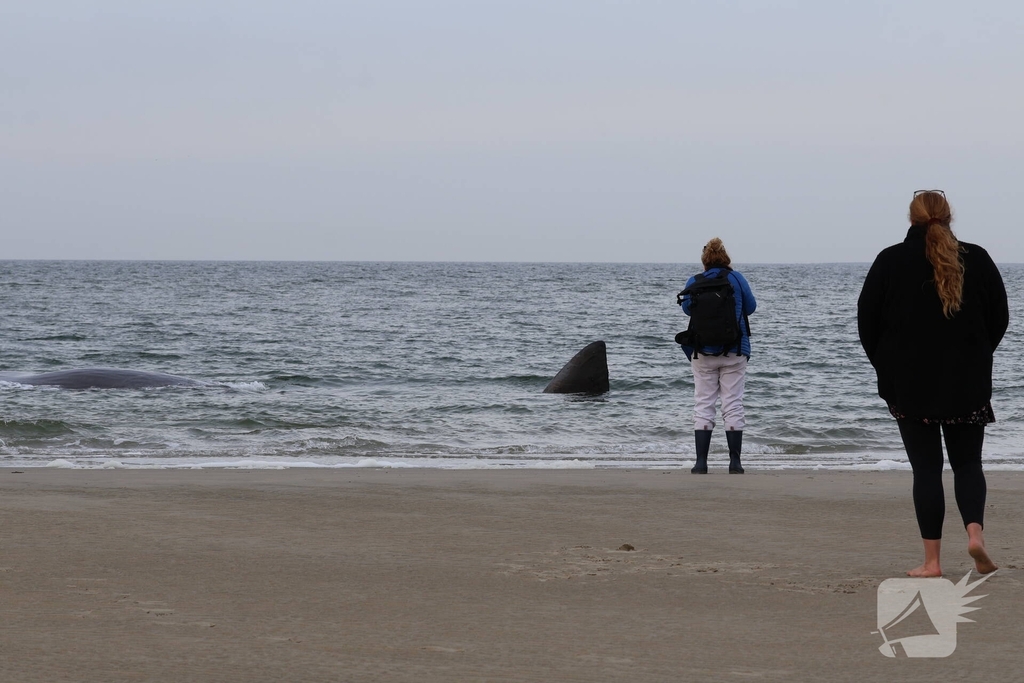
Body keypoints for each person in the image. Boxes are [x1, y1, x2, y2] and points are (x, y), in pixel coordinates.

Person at [858, 190, 1008, 577]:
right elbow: (1000, 318)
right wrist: (977, 355)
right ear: (948, 216)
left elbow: (867, 324)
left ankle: (932, 562)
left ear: (912, 219)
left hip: (909, 384)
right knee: (968, 463)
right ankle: (975, 535)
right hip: (967, 382)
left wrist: (886, 368)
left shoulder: (890, 260)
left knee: (926, 470)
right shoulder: (977, 257)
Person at [679, 238, 756, 474]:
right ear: (726, 258)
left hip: (702, 351)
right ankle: (735, 463)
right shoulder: (736, 278)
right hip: (735, 348)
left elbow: (686, 308)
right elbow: (751, 307)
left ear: (704, 261)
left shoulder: (695, 281)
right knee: (732, 403)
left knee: (704, 403)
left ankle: (701, 462)